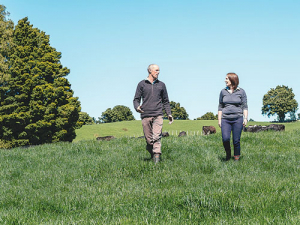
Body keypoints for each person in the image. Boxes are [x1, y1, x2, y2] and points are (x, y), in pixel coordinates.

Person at [133, 64, 173, 163]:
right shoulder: (141, 84)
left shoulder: (161, 85)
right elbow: (136, 99)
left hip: (158, 114)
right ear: (150, 71)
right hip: (145, 114)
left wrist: (169, 114)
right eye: (156, 70)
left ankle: (157, 160)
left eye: (159, 70)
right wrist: (137, 107)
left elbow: (166, 101)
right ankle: (152, 153)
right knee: (149, 140)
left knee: (156, 137)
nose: (158, 72)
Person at [218, 73, 248, 161]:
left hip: (238, 118)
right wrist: (219, 119)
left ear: (232, 80)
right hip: (225, 119)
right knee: (225, 139)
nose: (225, 80)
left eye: (227, 79)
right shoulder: (223, 91)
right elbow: (220, 106)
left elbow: (244, 106)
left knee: (236, 140)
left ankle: (236, 159)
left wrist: (245, 118)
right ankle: (228, 153)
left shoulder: (241, 92)